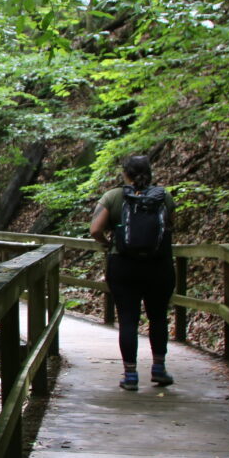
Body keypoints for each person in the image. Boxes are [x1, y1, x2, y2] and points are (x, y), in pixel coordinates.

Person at [89, 155, 176, 391]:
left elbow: (95, 229)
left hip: (123, 265)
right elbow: (171, 226)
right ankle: (159, 368)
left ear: (124, 174)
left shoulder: (113, 196)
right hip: (159, 266)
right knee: (158, 317)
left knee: (128, 319)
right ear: (150, 173)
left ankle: (130, 376)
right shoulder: (164, 196)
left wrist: (108, 242)